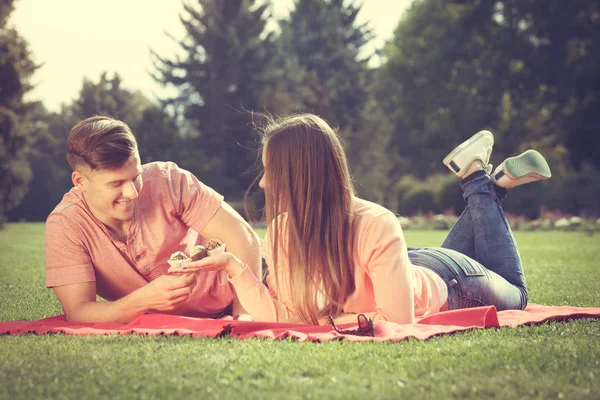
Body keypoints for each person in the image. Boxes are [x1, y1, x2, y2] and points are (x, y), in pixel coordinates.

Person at [176, 114, 551, 326]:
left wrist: (331, 322)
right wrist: (233, 267)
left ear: (299, 175)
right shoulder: (280, 233)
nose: (263, 182)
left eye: (271, 170)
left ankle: (478, 181)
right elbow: (287, 315)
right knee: (494, 255)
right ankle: (487, 184)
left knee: (518, 295)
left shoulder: (376, 222)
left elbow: (397, 320)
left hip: (449, 282)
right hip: (400, 267)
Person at [45, 116, 261, 323]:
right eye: (116, 184)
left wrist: (243, 316)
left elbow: (243, 238)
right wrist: (144, 300)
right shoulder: (65, 225)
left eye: (135, 177)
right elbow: (79, 311)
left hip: (257, 289)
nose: (132, 193)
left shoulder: (167, 180)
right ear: (80, 181)